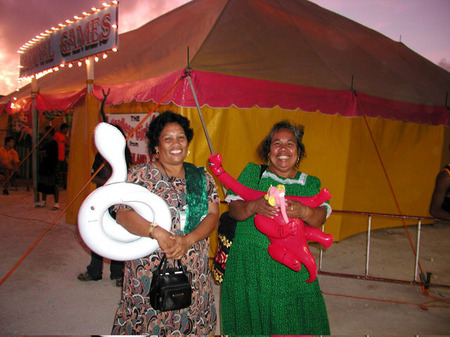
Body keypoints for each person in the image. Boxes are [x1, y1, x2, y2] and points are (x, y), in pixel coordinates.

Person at [111, 111, 219, 335]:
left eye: (181, 137)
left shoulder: (202, 177)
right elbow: (122, 213)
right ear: (156, 146)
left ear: (188, 143)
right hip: (149, 267)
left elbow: (212, 215)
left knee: (190, 319)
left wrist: (188, 240)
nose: (176, 144)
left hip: (192, 266)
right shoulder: (140, 176)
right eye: (167, 138)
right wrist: (156, 232)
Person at [221, 120, 332, 335]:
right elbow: (234, 211)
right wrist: (254, 205)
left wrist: (303, 211)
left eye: (290, 144)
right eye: (276, 143)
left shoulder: (309, 183)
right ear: (268, 150)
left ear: (298, 152)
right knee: (250, 320)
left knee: (290, 321)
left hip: (290, 269)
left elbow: (319, 218)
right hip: (249, 266)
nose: (283, 149)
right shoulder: (253, 174)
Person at [78, 125, 133, 287]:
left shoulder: (125, 154)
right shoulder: (100, 155)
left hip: (118, 202)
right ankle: (94, 271)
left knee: (117, 236)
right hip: (101, 201)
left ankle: (118, 273)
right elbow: (93, 178)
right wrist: (110, 184)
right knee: (97, 235)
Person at [35, 126, 59, 210]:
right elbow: (40, 152)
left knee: (53, 184)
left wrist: (44, 153)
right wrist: (43, 152)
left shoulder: (54, 143)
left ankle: (56, 202)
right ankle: (43, 201)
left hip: (51, 166)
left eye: (45, 132)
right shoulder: (45, 142)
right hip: (44, 165)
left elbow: (48, 153)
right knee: (43, 183)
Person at [54, 123, 69, 189]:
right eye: (66, 129)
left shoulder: (64, 136)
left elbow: (66, 144)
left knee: (65, 170)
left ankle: (64, 184)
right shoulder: (57, 135)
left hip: (63, 156)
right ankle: (56, 183)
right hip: (57, 155)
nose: (66, 131)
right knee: (57, 170)